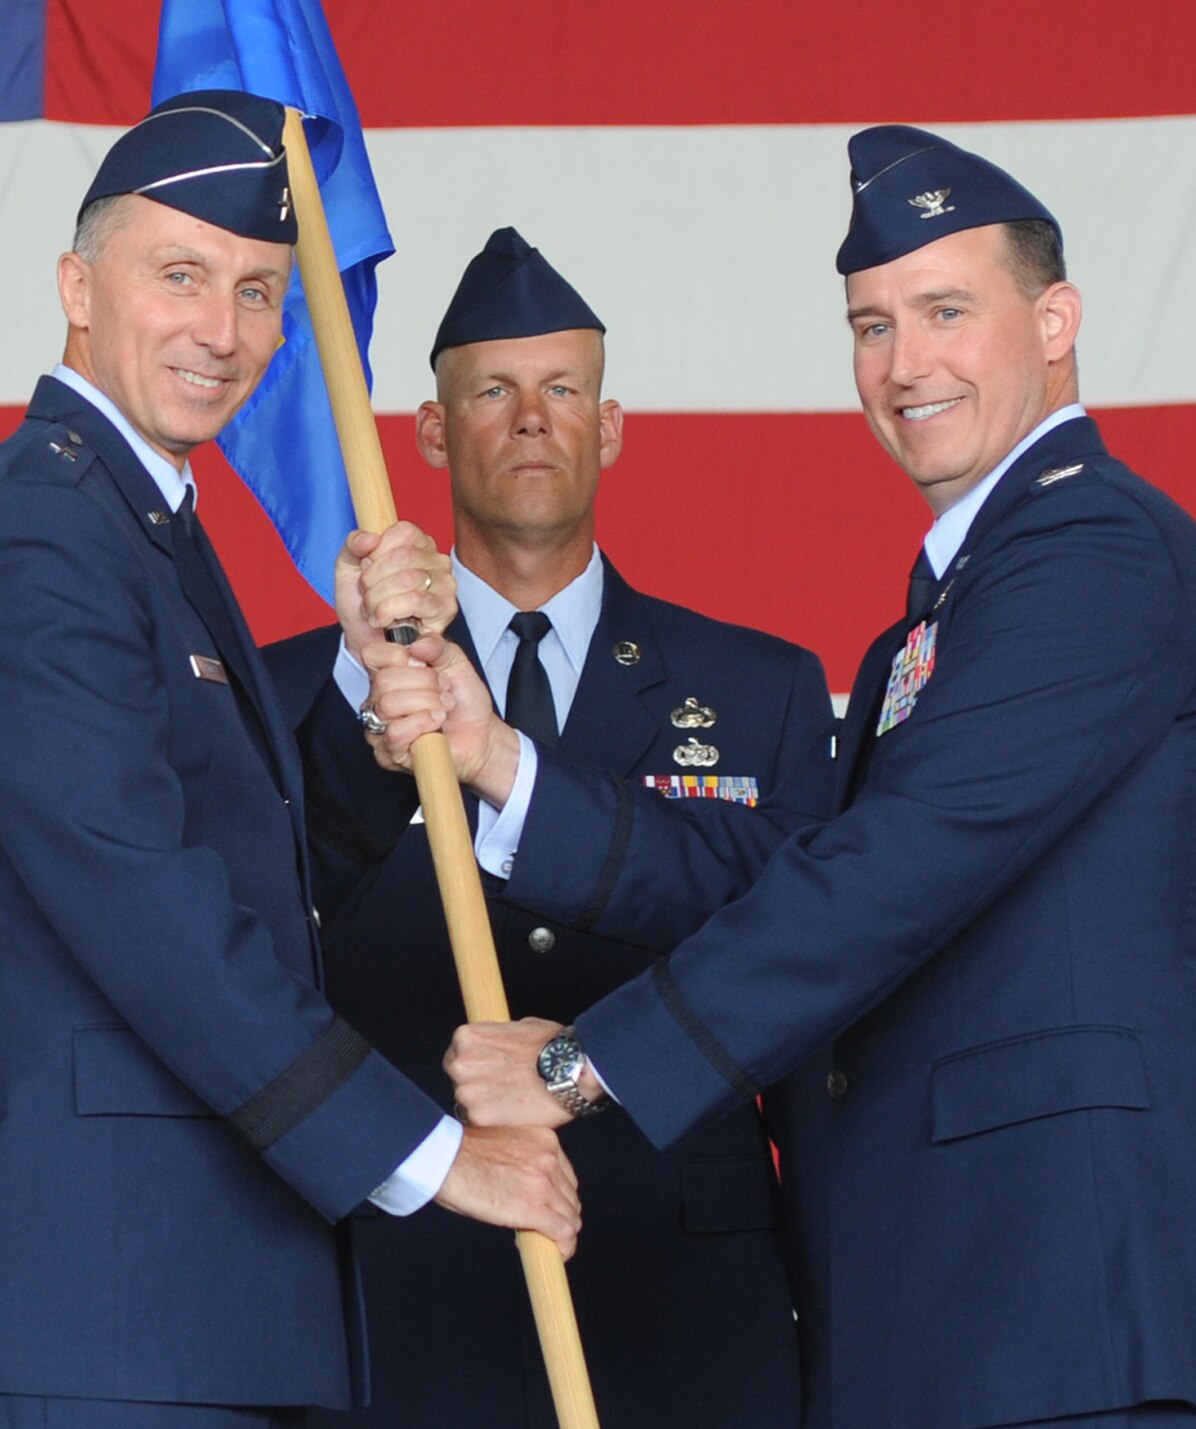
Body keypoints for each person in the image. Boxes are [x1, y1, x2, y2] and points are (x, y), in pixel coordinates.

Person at [406, 128, 1196, 1428]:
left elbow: (896, 870)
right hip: (944, 1323)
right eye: (872, 325)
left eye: (946, 311)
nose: (904, 363)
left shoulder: (1097, 550)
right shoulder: (941, 619)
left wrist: (585, 1065)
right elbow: (794, 865)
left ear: (1055, 321)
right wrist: (502, 764)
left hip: (1069, 1320)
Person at [0, 91, 579, 1429]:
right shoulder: (40, 539)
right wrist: (439, 1158)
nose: (225, 329)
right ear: (79, 287)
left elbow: (257, 861)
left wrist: (382, 703)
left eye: (262, 292)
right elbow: (155, 914)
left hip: (192, 1302)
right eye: (182, 276)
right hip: (101, 1309)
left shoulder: (135, 525)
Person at [265, 228, 835, 1428]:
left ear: (609, 425)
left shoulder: (760, 686)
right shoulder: (306, 693)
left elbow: (798, 946)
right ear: (429, 434)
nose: (531, 418)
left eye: (561, 388)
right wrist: (366, 672)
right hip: (407, 1299)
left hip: (684, 1307)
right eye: (492, 390)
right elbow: (285, 916)